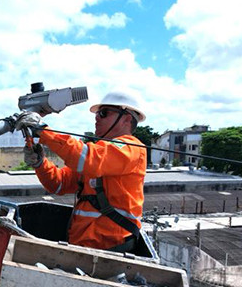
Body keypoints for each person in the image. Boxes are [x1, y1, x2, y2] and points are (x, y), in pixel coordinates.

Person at [14, 91, 147, 253]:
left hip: (110, 249)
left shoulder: (131, 149)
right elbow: (59, 184)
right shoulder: (101, 153)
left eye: (104, 113)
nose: (97, 118)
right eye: (98, 114)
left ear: (127, 119)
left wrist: (44, 131)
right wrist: (40, 163)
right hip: (84, 246)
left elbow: (89, 158)